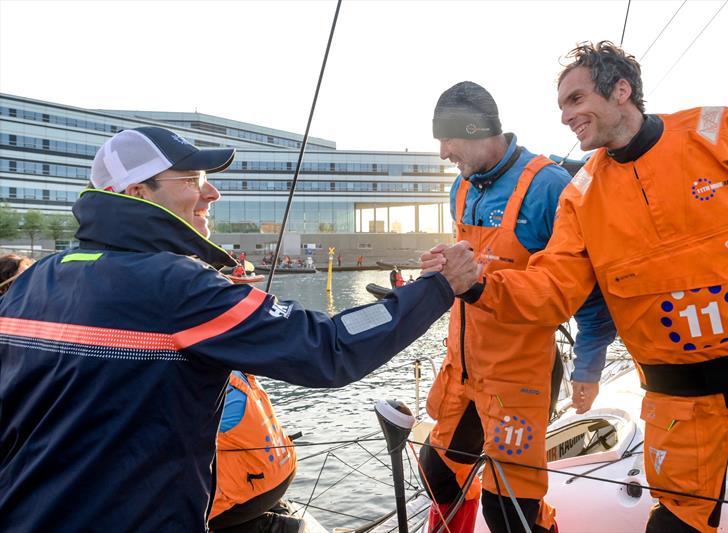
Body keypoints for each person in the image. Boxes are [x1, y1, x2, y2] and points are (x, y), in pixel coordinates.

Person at [0, 126, 477, 531]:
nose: (212, 192)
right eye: (193, 179)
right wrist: (436, 288)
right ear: (136, 194)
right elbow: (328, 347)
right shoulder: (176, 286)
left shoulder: (34, 281)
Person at [425, 43, 728, 533]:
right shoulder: (580, 195)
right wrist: (476, 286)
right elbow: (553, 289)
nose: (566, 116)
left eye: (576, 100)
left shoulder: (716, 130)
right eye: (561, 106)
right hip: (681, 407)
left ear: (621, 90)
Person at [419, 81, 616, 533]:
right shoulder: (461, 187)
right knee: (438, 471)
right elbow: (470, 270)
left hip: (519, 374)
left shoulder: (549, 186)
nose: (445, 153)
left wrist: (588, 368)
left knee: (509, 512)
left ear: (475, 129)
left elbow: (587, 288)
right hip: (463, 368)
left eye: (448, 140)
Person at [210, 369, 300, 533]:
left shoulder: (204, 388)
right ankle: (278, 510)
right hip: (283, 468)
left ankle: (273, 528)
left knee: (194, 514)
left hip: (256, 485)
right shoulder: (234, 372)